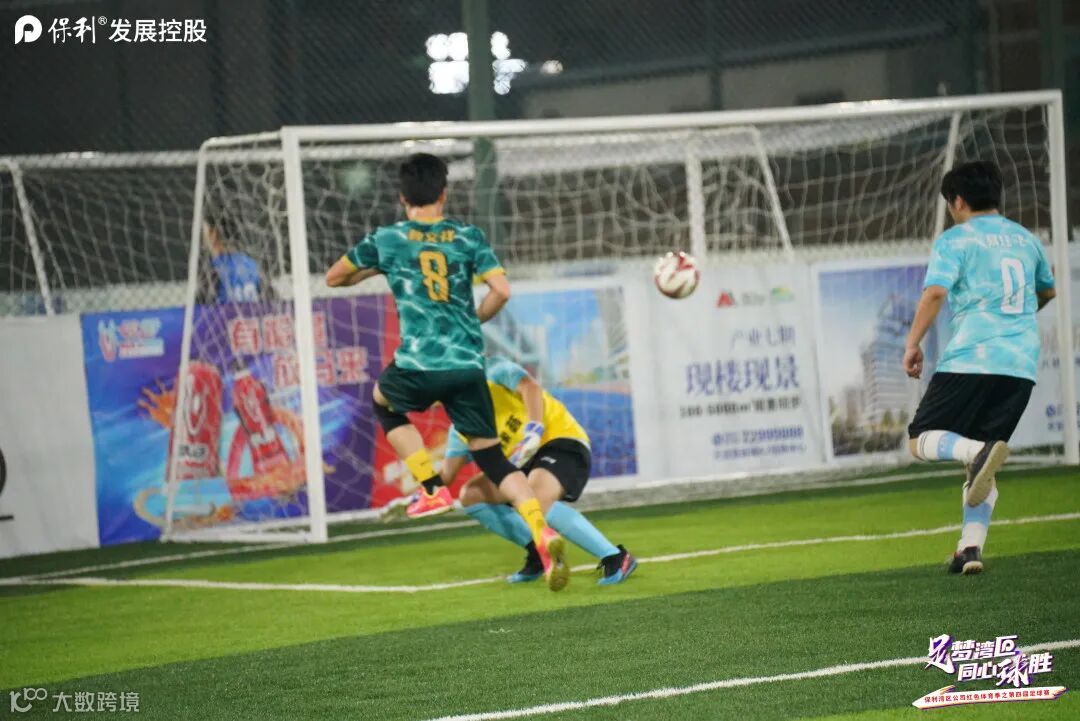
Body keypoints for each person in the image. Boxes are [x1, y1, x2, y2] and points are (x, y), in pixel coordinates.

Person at [325, 153, 568, 591]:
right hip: (468, 364)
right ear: (444, 193)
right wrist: (474, 320)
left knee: (384, 403)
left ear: (403, 198)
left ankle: (432, 488)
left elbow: (334, 278)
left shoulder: (388, 238)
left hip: (419, 362)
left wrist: (381, 266)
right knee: (492, 458)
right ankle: (540, 530)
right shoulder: (468, 236)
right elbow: (501, 291)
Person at [903, 160, 1056, 575]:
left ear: (957, 201)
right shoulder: (1025, 239)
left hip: (973, 357)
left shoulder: (956, 239)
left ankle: (977, 453)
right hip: (1020, 366)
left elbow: (935, 293)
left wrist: (913, 344)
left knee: (920, 439)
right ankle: (969, 550)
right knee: (981, 467)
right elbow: (1047, 290)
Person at [440, 357, 637, 585]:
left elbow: (530, 387)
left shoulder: (494, 369)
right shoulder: (461, 427)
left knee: (535, 499)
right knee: (472, 494)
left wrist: (534, 428)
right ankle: (537, 551)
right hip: (521, 465)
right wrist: (425, 483)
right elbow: (447, 474)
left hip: (559, 440)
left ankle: (615, 556)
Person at [200, 211, 265, 304]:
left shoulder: (214, 268)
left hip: (225, 313)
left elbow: (201, 307)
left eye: (204, 232)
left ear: (213, 234)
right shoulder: (252, 265)